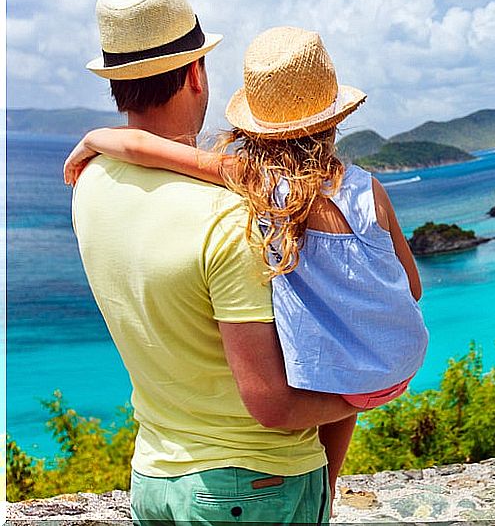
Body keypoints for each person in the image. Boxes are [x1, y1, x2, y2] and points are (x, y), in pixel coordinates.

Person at [66, 25, 430, 506]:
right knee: (339, 346)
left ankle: (325, 489)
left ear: (250, 124)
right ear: (334, 117)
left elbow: (150, 150)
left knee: (323, 355)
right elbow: (413, 289)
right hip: (396, 369)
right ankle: (328, 489)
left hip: (179, 465)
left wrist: (97, 138)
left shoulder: (255, 190)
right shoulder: (368, 189)